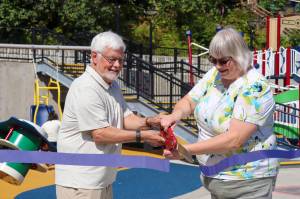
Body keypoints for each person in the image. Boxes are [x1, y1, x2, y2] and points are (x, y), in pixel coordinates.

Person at [161, 28, 279, 199]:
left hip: (247, 180)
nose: (217, 66)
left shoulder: (255, 87)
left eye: (223, 61)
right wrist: (174, 116)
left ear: (239, 55)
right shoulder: (215, 74)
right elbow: (189, 101)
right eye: (212, 59)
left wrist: (186, 150)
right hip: (217, 176)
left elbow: (234, 139)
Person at [55, 31, 165, 199]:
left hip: (100, 179)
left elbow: (126, 119)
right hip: (81, 182)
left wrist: (151, 121)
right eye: (112, 59)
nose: (117, 65)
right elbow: (100, 133)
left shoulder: (111, 85)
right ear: (94, 57)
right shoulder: (86, 88)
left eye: (120, 60)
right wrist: (143, 136)